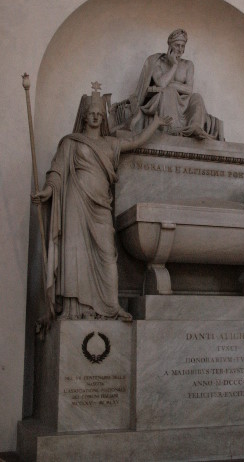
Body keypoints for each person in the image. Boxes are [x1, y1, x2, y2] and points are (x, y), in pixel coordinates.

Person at [32, 86, 171, 321]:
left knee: (107, 253)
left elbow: (136, 142)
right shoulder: (71, 143)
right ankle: (73, 308)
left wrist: (155, 124)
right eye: (91, 112)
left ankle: (110, 306)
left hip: (100, 207)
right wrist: (47, 191)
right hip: (76, 202)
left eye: (99, 113)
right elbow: (56, 171)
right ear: (84, 116)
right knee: (74, 253)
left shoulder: (109, 144)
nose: (96, 116)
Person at [121, 29, 223, 140]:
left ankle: (194, 127)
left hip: (184, 103)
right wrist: (174, 65)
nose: (180, 49)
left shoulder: (188, 65)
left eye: (183, 46)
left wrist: (171, 84)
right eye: (177, 45)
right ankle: (173, 128)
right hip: (164, 100)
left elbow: (189, 89)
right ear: (170, 46)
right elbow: (161, 83)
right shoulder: (157, 61)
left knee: (197, 97)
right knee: (169, 92)